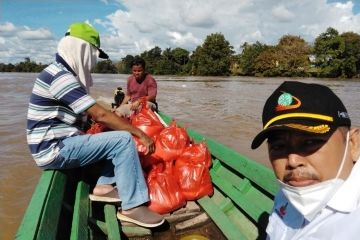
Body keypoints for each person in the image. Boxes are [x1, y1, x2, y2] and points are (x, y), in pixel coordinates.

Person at [26, 22, 164, 228]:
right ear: (81, 49)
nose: (93, 62)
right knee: (124, 139)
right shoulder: (60, 76)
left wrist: (112, 120)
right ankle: (132, 207)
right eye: (93, 54)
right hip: (55, 149)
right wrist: (139, 133)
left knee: (113, 132)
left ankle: (103, 187)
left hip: (61, 143)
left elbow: (91, 113)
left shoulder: (60, 73)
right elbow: (99, 114)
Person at [251, 81, 360, 239]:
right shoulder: (293, 189)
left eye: (310, 142)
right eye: (279, 146)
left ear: (353, 144)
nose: (292, 161)